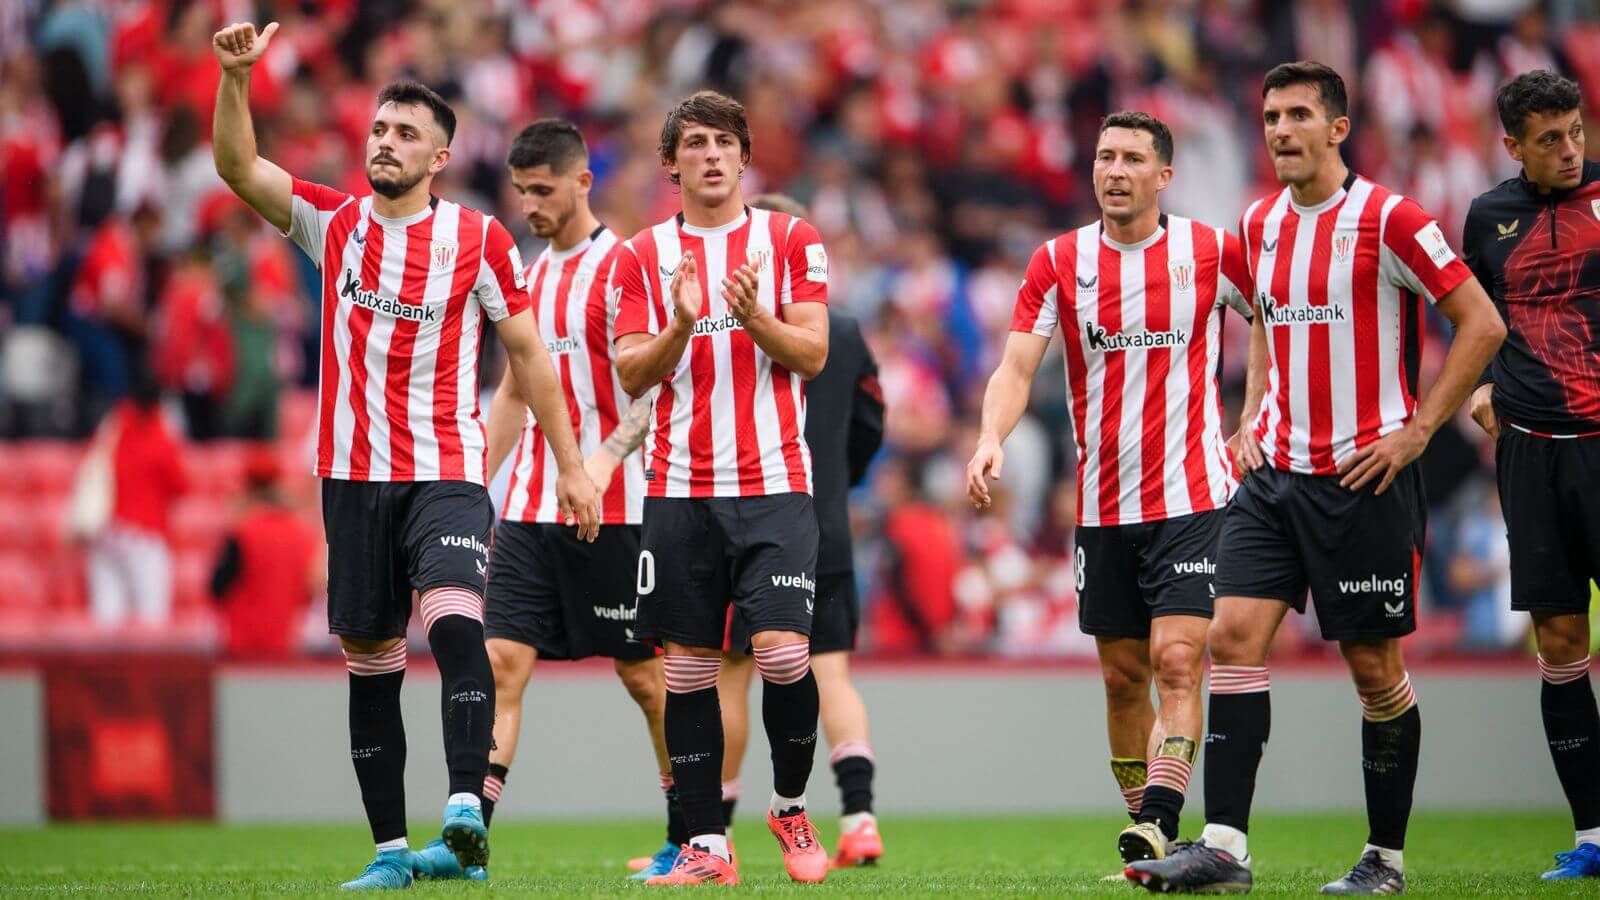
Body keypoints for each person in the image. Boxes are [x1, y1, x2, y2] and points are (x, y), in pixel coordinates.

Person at [209, 21, 598, 890]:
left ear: (438, 159)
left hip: (444, 469)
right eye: (379, 129)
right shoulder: (334, 224)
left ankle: (463, 811)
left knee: (457, 620)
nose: (384, 142)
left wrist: (571, 464)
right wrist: (236, 81)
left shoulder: (480, 241)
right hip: (351, 475)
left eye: (405, 134)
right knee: (372, 661)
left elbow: (528, 357)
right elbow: (239, 168)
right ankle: (390, 855)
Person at [1128, 61, 1505, 895]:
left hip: (1365, 475)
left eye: (1299, 114)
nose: (1280, 130)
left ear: (1338, 127)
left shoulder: (1391, 219)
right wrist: (1251, 417)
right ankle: (1224, 847)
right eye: (1270, 116)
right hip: (1275, 475)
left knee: (1373, 670)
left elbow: (1481, 322)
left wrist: (1415, 433)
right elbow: (1261, 320)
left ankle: (1386, 858)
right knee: (1229, 639)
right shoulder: (1258, 223)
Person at [966, 112, 1253, 868]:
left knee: (1179, 660)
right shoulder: (1058, 262)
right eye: (1103, 157)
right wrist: (991, 435)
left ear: (1164, 176)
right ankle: (1145, 835)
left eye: (1131, 158)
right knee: (1124, 680)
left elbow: (1283, 331)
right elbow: (1017, 368)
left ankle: (1158, 820)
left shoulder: (1210, 251)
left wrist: (1257, 419)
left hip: (1193, 496)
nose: (1114, 170)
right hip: (1103, 506)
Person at [409, 118, 681, 882]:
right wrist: (471, 480)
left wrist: (595, 465)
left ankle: (686, 830)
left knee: (644, 679)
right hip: (530, 506)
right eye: (520, 190)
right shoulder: (525, 268)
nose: (529, 203)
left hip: (617, 504)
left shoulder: (622, 266)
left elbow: (655, 391)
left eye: (543, 189)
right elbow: (513, 392)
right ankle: (471, 836)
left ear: (582, 182)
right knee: (501, 662)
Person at [612, 90, 831, 886]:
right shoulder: (639, 255)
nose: (710, 155)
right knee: (688, 670)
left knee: (781, 651)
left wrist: (753, 318)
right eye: (694, 144)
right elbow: (629, 369)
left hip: (775, 484)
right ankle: (707, 844)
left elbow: (811, 354)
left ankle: (789, 803)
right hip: (677, 490)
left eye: (723, 142)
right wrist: (680, 325)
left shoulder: (792, 239)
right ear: (671, 164)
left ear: (745, 157)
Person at [718, 192, 886, 870]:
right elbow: (873, 423)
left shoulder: (731, 323)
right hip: (826, 522)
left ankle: (711, 830)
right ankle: (861, 818)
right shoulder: (842, 331)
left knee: (728, 675)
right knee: (832, 672)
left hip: (745, 516)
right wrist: (840, 481)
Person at [1460, 69, 1600, 881]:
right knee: (1559, 639)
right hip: (1531, 451)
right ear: (1513, 145)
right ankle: (1593, 836)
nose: (1570, 150)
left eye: (1576, 131)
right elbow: (1478, 320)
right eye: (1549, 139)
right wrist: (1479, 389)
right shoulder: (1487, 217)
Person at [84, 371, 188, 626]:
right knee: (152, 616)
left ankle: (103, 667)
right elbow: (181, 485)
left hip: (106, 530)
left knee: (107, 617)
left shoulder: (112, 426)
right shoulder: (160, 435)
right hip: (145, 532)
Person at [208, 449, 321, 660]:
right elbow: (308, 591)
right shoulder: (301, 533)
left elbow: (217, 587)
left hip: (242, 647)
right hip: (286, 646)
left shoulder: (241, 531)